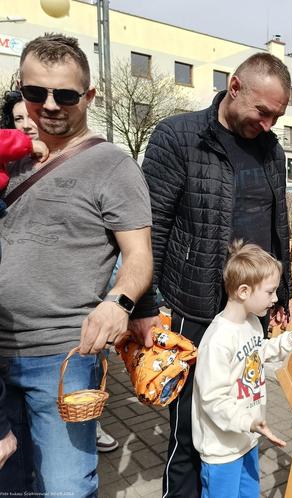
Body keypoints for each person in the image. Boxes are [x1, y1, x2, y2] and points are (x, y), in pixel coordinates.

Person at [129, 52, 292, 497]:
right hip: (194, 310)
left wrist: (283, 294)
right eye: (263, 112)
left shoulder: (271, 149)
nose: (268, 125)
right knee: (189, 431)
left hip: (249, 312)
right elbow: (151, 225)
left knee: (241, 416)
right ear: (235, 87)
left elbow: (280, 225)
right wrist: (143, 305)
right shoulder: (178, 137)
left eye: (277, 116)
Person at [0, 33, 153, 496]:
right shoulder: (9, 155)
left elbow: (140, 254)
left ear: (88, 96)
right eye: (35, 92)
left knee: (66, 487)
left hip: (63, 357)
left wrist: (119, 303)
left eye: (65, 94)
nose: (49, 105)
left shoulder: (111, 165)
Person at [193, 241, 292, 498]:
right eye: (270, 292)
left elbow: (258, 353)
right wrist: (248, 421)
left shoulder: (252, 324)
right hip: (222, 452)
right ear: (244, 291)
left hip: (247, 440)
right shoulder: (217, 341)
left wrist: (289, 340)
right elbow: (213, 399)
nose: (276, 298)